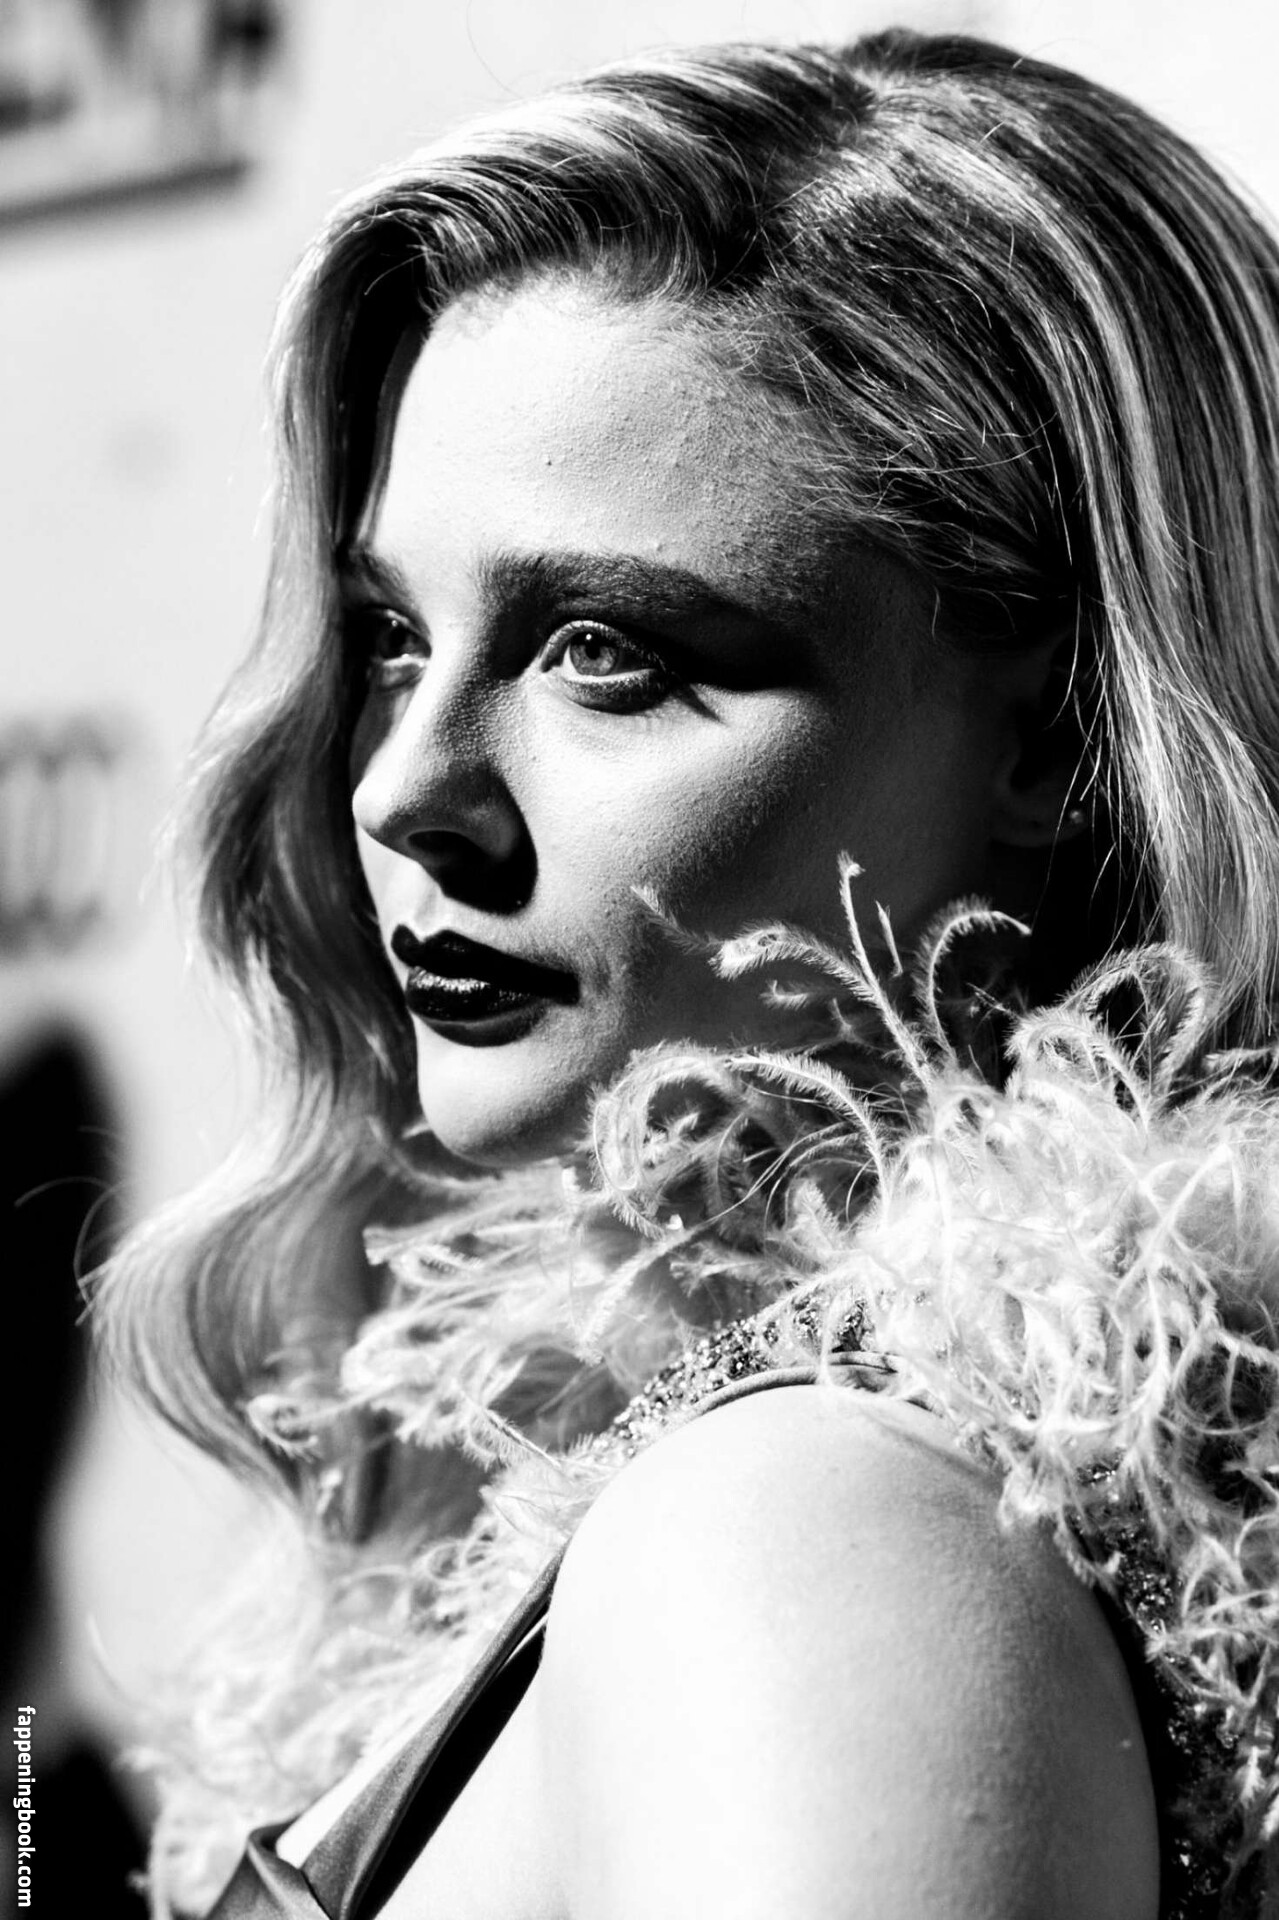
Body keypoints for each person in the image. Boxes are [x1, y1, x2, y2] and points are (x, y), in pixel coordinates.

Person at [98, 27, 1279, 1920]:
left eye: (605, 652)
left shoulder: (807, 1524)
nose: (403, 791)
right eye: (394, 636)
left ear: (1063, 735)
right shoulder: (872, 1470)